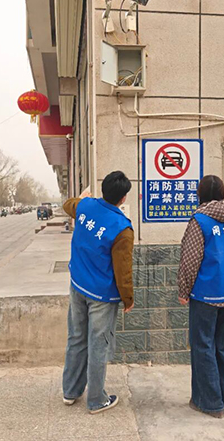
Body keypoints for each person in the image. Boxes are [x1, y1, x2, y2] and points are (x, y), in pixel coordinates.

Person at [62, 171, 135, 414]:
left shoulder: (85, 206)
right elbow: (123, 270)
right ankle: (96, 400)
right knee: (98, 345)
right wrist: (128, 299)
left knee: (76, 337)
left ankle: (70, 391)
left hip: (78, 285)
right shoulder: (122, 228)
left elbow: (68, 204)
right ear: (123, 198)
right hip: (101, 295)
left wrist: (83, 197)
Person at [177, 175, 224, 418]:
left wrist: (183, 290)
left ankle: (210, 403)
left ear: (200, 194)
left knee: (203, 345)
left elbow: (191, 259)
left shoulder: (200, 221)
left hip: (207, 293)